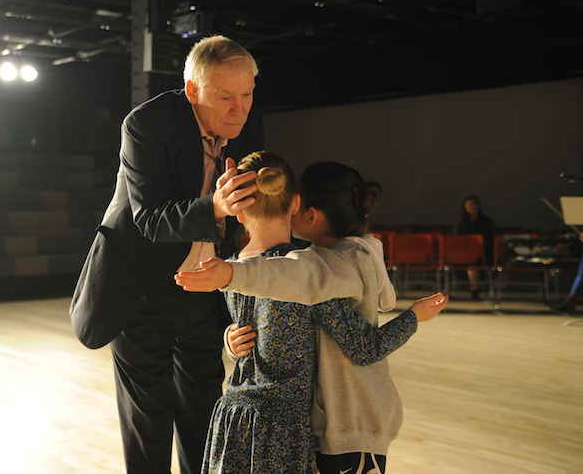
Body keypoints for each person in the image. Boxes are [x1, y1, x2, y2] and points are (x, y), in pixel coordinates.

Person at [69, 35, 264, 474]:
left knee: (205, 416)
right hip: (142, 288)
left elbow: (251, 213)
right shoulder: (147, 123)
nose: (240, 109)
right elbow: (151, 219)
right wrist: (216, 206)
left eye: (248, 94)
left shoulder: (247, 125)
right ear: (194, 91)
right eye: (226, 97)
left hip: (208, 288)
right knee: (148, 420)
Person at [176, 161, 448, 474]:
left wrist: (229, 284)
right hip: (293, 427)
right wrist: (231, 338)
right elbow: (358, 343)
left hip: (282, 421)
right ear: (293, 204)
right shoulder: (292, 267)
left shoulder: (306, 270)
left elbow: (289, 280)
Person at [453, 195, 496, 300]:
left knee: (474, 262)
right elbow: (456, 239)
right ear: (465, 207)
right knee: (470, 262)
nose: (472, 207)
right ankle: (474, 288)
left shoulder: (486, 222)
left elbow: (490, 239)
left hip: (483, 252)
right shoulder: (461, 222)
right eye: (470, 205)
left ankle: (474, 288)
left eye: (474, 204)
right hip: (465, 253)